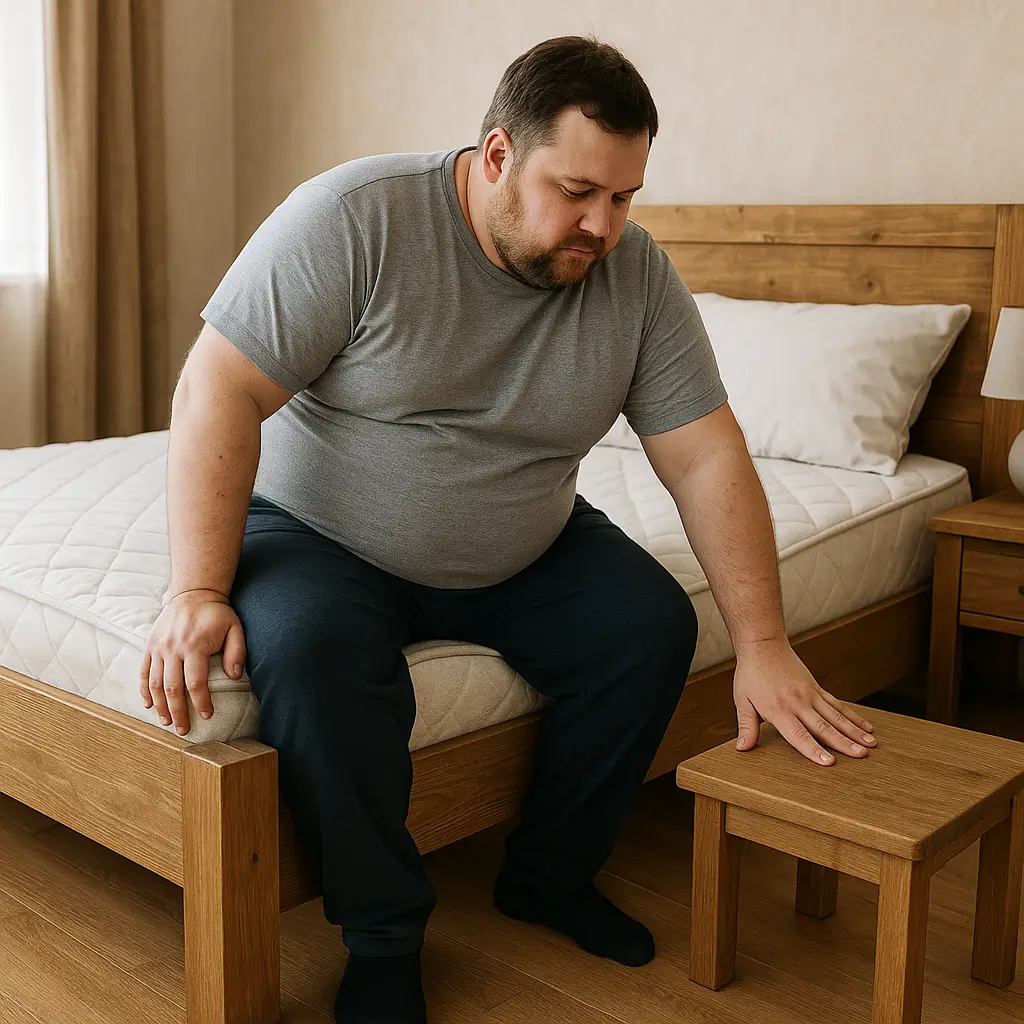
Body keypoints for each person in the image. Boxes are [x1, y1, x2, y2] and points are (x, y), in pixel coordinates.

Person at [140, 35, 876, 1024]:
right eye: (576, 191)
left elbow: (702, 454)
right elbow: (216, 386)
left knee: (650, 625)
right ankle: (383, 937)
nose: (599, 226)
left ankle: (548, 876)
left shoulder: (634, 276)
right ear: (495, 156)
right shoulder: (355, 218)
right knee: (315, 659)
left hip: (526, 541)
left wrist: (766, 643)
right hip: (325, 536)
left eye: (623, 198)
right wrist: (193, 590)